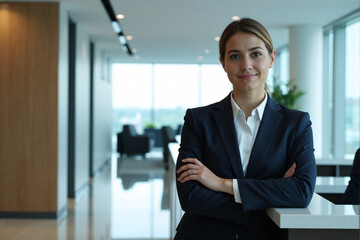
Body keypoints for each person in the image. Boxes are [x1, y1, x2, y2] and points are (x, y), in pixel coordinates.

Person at [175, 18, 317, 240]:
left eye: (256, 54)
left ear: (271, 58)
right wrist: (272, 191)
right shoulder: (198, 120)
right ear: (223, 63)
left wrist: (221, 184)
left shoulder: (296, 124)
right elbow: (190, 197)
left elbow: (301, 192)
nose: (246, 65)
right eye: (235, 56)